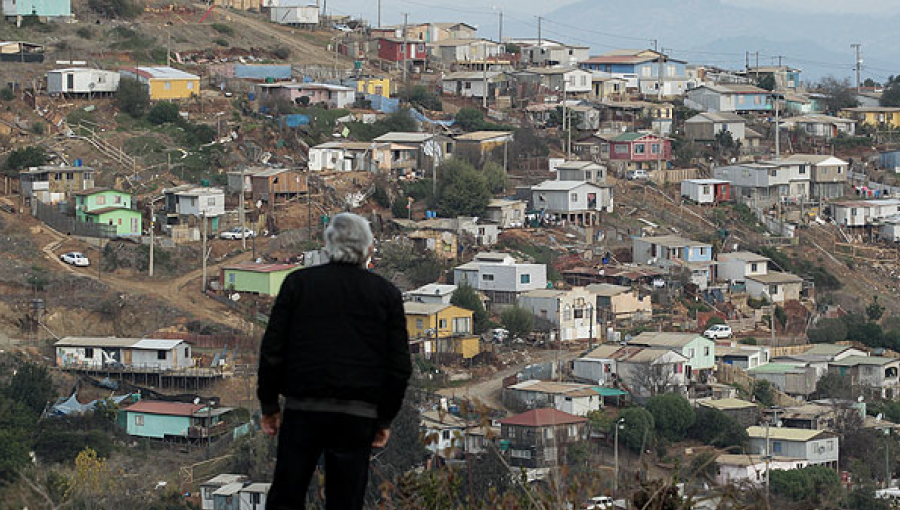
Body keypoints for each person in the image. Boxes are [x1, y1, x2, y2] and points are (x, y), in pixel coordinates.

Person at [258, 213, 412, 510]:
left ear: (328, 244)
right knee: (346, 501)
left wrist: (269, 406)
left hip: (303, 409)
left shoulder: (297, 284)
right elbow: (399, 367)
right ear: (368, 249)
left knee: (286, 496)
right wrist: (384, 419)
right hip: (357, 415)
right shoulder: (386, 295)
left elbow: (273, 350)